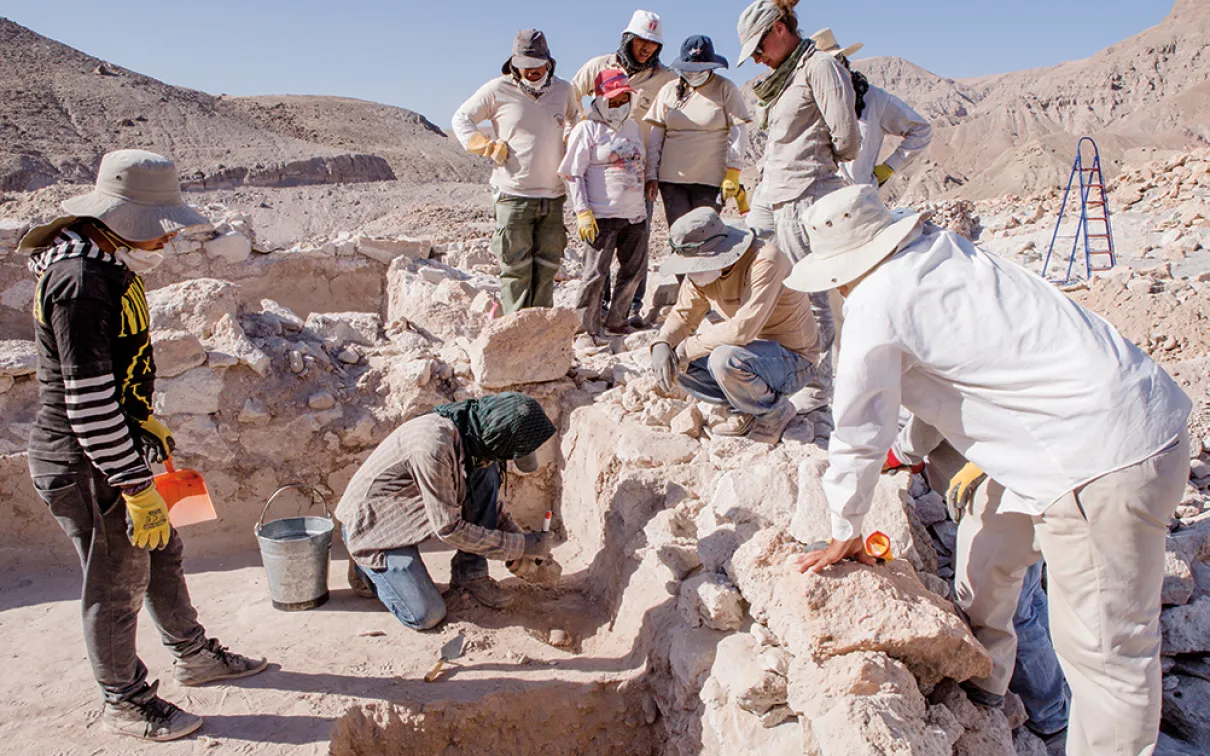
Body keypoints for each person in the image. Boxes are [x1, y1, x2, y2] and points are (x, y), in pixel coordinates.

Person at [789, 184, 1192, 756]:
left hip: (1100, 463)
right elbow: (950, 384)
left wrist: (844, 526)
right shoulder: (945, 253)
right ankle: (984, 682)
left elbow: (858, 427)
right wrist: (908, 448)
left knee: (1107, 658)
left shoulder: (874, 302)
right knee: (987, 548)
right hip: (1126, 415)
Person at [19, 149, 268, 743]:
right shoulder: (79, 282)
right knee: (115, 582)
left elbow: (110, 380)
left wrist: (143, 423)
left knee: (162, 552)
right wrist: (133, 486)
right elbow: (84, 401)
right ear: (123, 215)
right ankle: (125, 700)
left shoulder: (99, 263)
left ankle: (193, 654)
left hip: (115, 447)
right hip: (86, 461)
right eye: (160, 221)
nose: (169, 234)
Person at [887, 419, 1071, 750]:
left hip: (1005, 495)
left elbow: (933, 416)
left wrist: (901, 451)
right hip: (1024, 486)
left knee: (1011, 612)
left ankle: (1052, 717)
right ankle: (1060, 689)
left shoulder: (934, 374)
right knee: (1027, 595)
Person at [337, 393, 557, 629]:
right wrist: (522, 545)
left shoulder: (474, 429)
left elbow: (485, 503)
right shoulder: (434, 448)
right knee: (426, 615)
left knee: (486, 472)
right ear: (497, 435)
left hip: (411, 507)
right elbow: (450, 529)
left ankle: (469, 574)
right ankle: (364, 568)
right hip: (376, 526)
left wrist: (522, 545)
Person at [736, 0, 859, 414]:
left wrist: (814, 162)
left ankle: (817, 385)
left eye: (758, 47)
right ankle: (775, 363)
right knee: (757, 276)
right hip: (771, 193)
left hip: (806, 193)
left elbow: (847, 138)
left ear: (778, 29)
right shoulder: (782, 76)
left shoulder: (819, 67)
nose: (756, 58)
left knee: (812, 293)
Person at [649, 207, 819, 445]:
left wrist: (687, 347)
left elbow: (742, 330)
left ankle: (775, 413)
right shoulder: (701, 274)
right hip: (750, 354)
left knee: (723, 359)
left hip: (793, 360)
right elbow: (684, 315)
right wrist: (663, 342)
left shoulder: (765, 261)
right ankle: (746, 408)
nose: (690, 272)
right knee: (673, 362)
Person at [452, 29, 578, 313]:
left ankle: (540, 333)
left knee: (547, 267)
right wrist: (485, 145)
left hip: (553, 195)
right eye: (525, 65)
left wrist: (570, 141)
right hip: (513, 194)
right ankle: (514, 332)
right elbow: (462, 118)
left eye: (538, 65)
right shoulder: (497, 90)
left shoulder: (563, 90)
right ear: (514, 62)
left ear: (549, 61)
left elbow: (575, 119)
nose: (532, 71)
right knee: (516, 269)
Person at [573, 10, 677, 326]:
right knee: (599, 245)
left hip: (637, 177)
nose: (646, 49)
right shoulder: (598, 67)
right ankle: (596, 308)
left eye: (653, 45)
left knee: (637, 244)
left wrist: (655, 173)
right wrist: (578, 135)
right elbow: (571, 100)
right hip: (598, 173)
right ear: (628, 39)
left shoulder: (667, 79)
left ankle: (628, 306)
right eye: (641, 42)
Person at [559, 69, 648, 337]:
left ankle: (617, 320)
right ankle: (586, 328)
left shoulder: (633, 127)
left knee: (634, 270)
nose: (619, 106)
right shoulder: (586, 129)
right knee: (596, 273)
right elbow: (572, 173)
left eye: (624, 100)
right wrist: (582, 211)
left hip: (635, 215)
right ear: (599, 99)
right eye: (614, 100)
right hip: (601, 215)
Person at [644, 34, 752, 229]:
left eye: (699, 70)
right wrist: (651, 173)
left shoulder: (725, 88)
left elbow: (738, 131)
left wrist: (733, 173)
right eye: (689, 70)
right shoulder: (668, 91)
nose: (693, 74)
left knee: (705, 235)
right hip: (671, 181)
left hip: (710, 181)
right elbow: (656, 134)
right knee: (681, 235)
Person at [809, 28, 932, 189]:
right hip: (817, 202)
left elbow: (920, 130)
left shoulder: (874, 99)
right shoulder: (807, 104)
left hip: (857, 201)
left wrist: (889, 168)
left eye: (836, 63)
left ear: (843, 61)